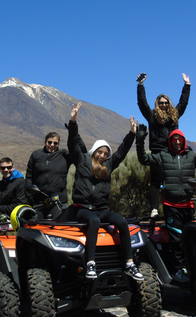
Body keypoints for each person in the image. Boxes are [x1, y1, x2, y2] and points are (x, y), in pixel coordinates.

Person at [67, 102, 143, 280]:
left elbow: (122, 152)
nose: (102, 155)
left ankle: (129, 262)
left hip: (101, 209)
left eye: (105, 153)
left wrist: (132, 134)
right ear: (94, 151)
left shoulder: (108, 165)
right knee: (93, 220)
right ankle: (91, 262)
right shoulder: (82, 160)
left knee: (122, 222)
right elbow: (72, 143)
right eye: (99, 152)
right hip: (82, 208)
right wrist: (73, 121)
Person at [136, 121, 196, 282]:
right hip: (171, 205)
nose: (176, 141)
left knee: (191, 238)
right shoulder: (163, 156)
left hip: (188, 205)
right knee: (176, 239)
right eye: (173, 139)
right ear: (170, 141)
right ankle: (179, 269)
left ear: (183, 141)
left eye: (179, 139)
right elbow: (144, 159)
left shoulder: (191, 156)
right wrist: (140, 141)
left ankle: (192, 267)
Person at [136, 73, 191, 217]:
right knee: (155, 181)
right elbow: (142, 104)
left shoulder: (175, 116)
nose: (164, 105)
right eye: (161, 103)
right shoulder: (152, 115)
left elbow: (183, 103)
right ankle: (154, 209)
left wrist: (187, 85)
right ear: (157, 104)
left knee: (171, 181)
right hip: (158, 152)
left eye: (166, 102)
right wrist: (140, 86)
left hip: (173, 152)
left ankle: (171, 207)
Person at [25, 132, 73, 219]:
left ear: (58, 144)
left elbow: (77, 154)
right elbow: (29, 176)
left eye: (55, 143)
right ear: (45, 142)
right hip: (39, 201)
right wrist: (29, 195)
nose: (52, 145)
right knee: (37, 227)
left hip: (58, 201)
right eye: (49, 142)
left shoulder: (64, 155)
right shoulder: (36, 155)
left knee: (59, 228)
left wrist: (73, 130)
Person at [0, 157, 28, 222]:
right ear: (0, 169)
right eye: (3, 168)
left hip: (17, 219)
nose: (6, 170)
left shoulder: (20, 182)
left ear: (13, 168)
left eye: (8, 167)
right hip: (1, 219)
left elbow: (20, 204)